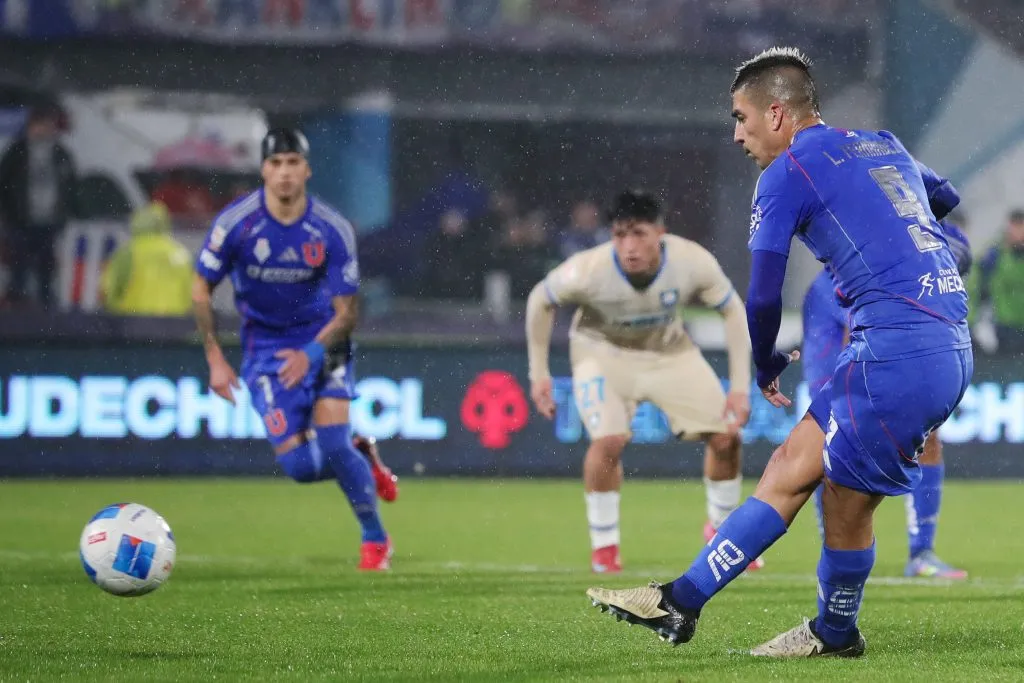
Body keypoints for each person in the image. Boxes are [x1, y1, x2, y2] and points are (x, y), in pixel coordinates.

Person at [586, 47, 972, 657]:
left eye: (740, 118)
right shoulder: (882, 144)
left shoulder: (788, 171)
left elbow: (762, 294)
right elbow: (943, 201)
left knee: (836, 497)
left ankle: (827, 633)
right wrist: (927, 248)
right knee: (799, 470)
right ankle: (685, 601)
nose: (737, 135)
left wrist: (764, 360)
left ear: (776, 113)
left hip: (895, 351)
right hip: (944, 343)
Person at [192, 128, 397, 571]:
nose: (284, 173)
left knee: (334, 442)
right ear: (263, 169)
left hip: (325, 343)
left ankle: (375, 539)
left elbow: (347, 313)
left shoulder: (331, 228)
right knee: (303, 467)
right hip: (265, 350)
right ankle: (363, 457)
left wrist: (311, 353)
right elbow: (199, 288)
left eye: (292, 163)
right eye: (275, 163)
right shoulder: (237, 224)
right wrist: (214, 358)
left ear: (306, 169)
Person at [526, 189, 755, 574]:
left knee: (726, 436)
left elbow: (733, 311)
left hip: (670, 353)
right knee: (609, 440)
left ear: (660, 234)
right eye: (619, 235)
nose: (628, 247)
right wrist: (539, 374)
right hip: (602, 354)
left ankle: (721, 533)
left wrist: (739, 386)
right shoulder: (588, 269)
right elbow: (539, 300)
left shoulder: (691, 261)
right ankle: (605, 548)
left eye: (639, 234)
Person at [804, 216, 972, 579]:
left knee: (929, 435)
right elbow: (860, 335)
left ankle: (921, 554)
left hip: (873, 360)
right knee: (829, 456)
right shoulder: (855, 275)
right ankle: (835, 549)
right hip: (838, 368)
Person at [0, 104, 77, 308]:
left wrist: (65, 213)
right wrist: (8, 213)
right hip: (20, 220)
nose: (45, 129)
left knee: (46, 268)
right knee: (19, 268)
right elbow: (4, 184)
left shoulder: (61, 153)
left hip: (49, 221)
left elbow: (70, 186)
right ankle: (15, 308)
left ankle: (45, 310)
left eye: (48, 125)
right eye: (41, 124)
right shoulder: (17, 152)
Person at [102, 201, 193, 316]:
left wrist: (115, 315)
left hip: (134, 325)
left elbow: (108, 290)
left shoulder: (127, 253)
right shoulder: (182, 254)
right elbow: (193, 297)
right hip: (173, 327)